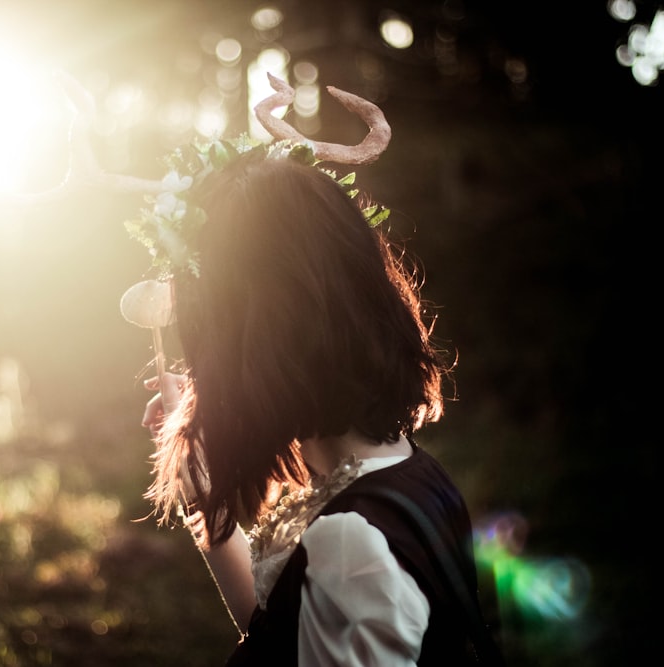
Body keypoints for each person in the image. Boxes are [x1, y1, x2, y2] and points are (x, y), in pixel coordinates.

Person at [131, 78, 504, 666]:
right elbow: (273, 630)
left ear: (254, 338)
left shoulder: (353, 539)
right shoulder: (406, 470)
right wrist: (204, 488)